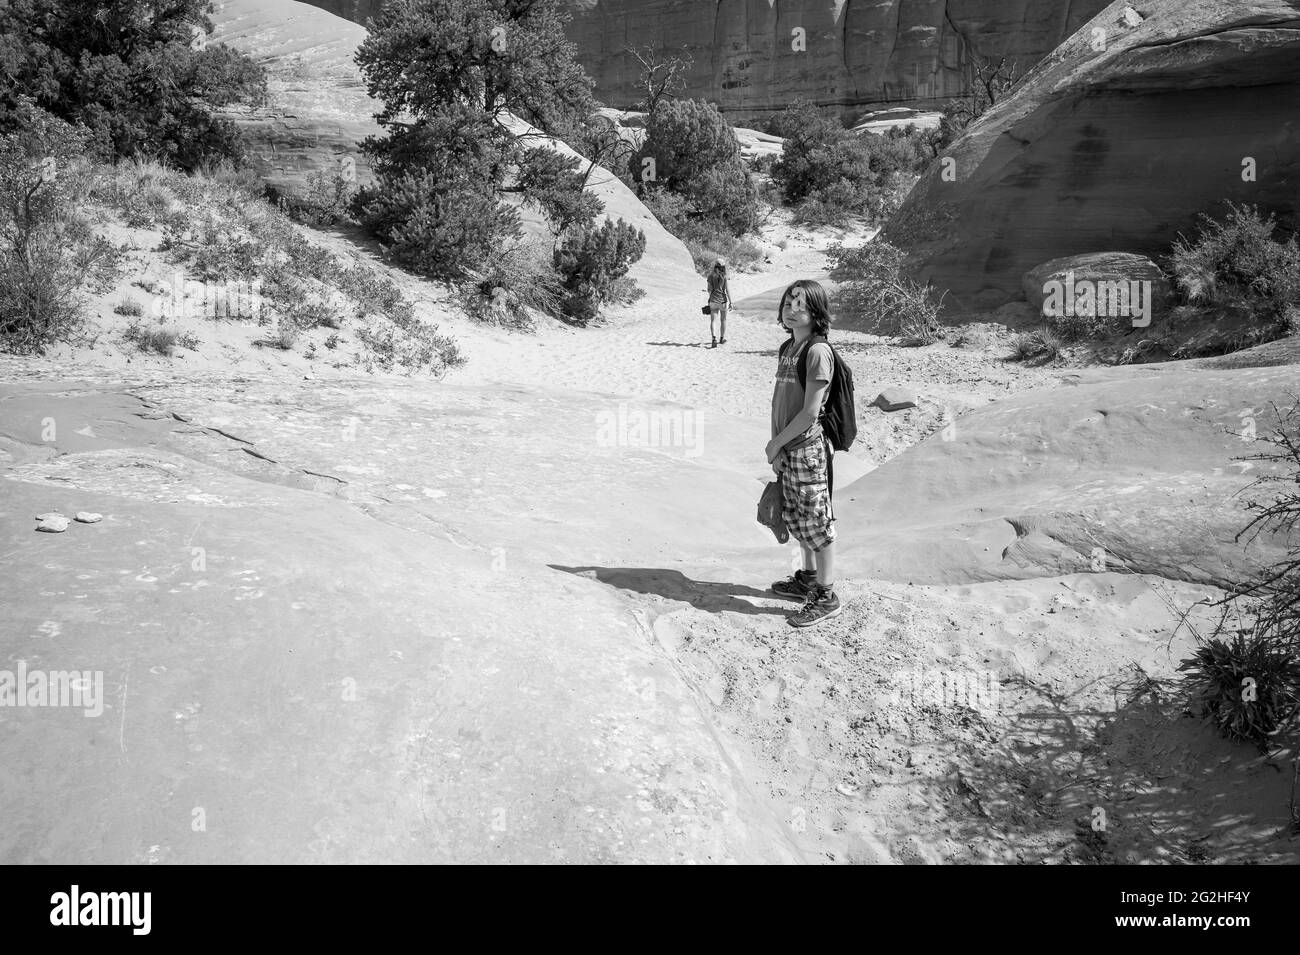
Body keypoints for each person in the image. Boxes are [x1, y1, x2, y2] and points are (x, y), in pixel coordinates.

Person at [765, 279, 841, 628]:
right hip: (787, 449)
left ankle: (827, 595)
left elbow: (811, 411)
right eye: (788, 302)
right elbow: (778, 404)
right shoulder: (788, 348)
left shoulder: (817, 352)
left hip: (807, 449)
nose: (792, 309)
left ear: (815, 313)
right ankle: (807, 580)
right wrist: (775, 444)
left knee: (818, 524)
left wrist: (779, 443)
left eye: (801, 304)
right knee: (797, 518)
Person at [706, 260, 731, 348]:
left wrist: (710, 297)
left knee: (713, 320)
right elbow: (727, 290)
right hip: (723, 301)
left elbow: (709, 289)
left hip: (713, 300)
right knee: (723, 320)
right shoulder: (724, 276)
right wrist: (731, 302)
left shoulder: (710, 276)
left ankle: (714, 339)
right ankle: (722, 338)